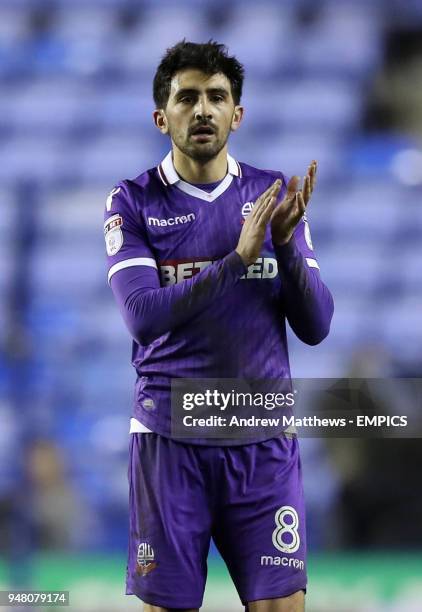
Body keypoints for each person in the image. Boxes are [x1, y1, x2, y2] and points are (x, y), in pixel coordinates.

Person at [104, 40, 334, 612]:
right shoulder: (131, 202)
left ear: (237, 113)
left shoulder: (272, 195)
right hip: (169, 443)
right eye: (187, 98)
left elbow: (318, 325)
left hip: (261, 444)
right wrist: (235, 262)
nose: (202, 109)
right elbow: (142, 317)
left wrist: (282, 247)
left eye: (216, 97)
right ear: (163, 117)